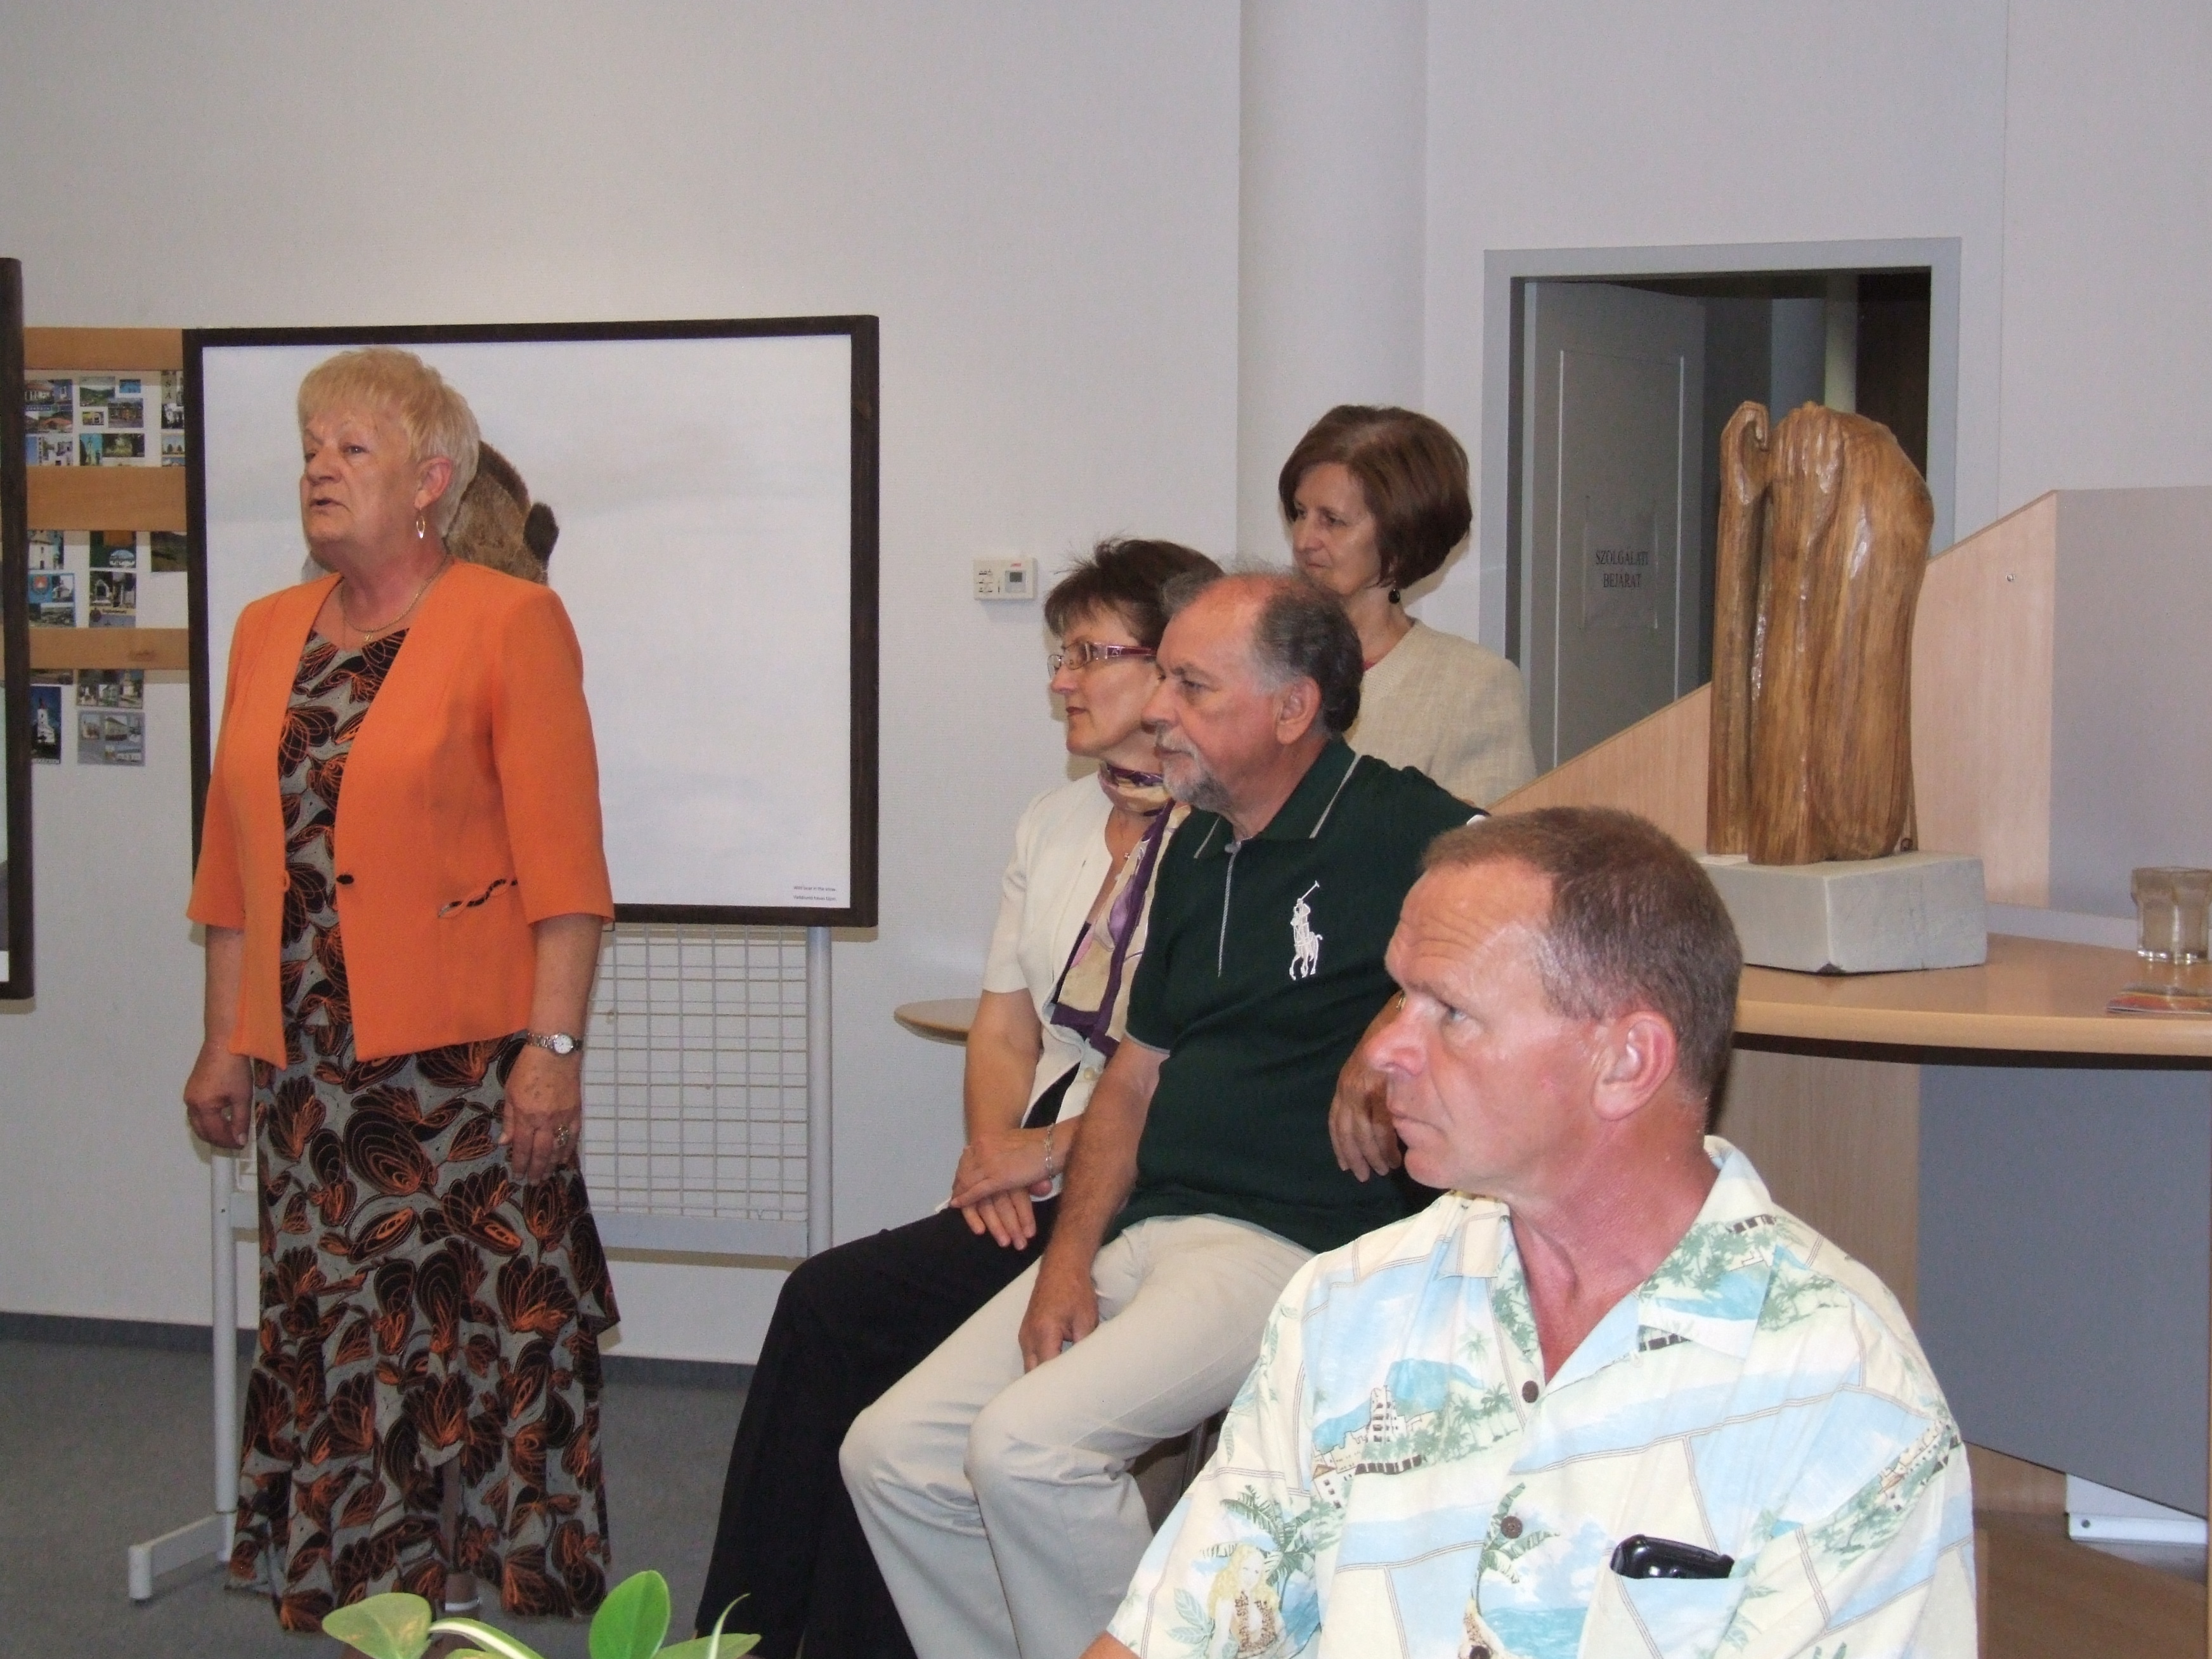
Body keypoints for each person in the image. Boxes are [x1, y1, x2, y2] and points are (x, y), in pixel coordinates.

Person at [1099, 808, 1977, 1659]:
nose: (1384, 1050)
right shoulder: (1351, 1307)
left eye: (1450, 1011)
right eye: (1399, 996)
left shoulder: (1838, 1388)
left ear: (1626, 1062)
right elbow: (1176, 1633)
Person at [843, 571, 1477, 1659]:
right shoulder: (1192, 846)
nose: (1157, 711)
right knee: (892, 1455)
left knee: (1027, 1450)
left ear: (1292, 708)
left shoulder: (1392, 820)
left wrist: (1394, 1019)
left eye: (1191, 686)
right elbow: (1131, 1082)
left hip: (1290, 1246)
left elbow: (1557, 904)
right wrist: (1065, 1264)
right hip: (1149, 1225)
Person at [691, 538, 1221, 1656]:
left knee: (835, 1316)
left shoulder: (1224, 840)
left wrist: (1045, 1155)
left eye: (1088, 654)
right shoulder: (1055, 820)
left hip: (1144, 1177)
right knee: (843, 1329)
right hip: (1031, 1163)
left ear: (1173, 666)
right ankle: (747, 1636)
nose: (1061, 679)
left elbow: (1194, 1071)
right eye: (1058, 654)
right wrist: (996, 1153)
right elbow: (1005, 1024)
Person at [183, 346, 619, 1631]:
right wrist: (222, 1039)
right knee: (335, 1330)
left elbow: (568, 874)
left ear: (432, 481)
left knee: (460, 1336)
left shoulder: (508, 620)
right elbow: (232, 867)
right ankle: (366, 1586)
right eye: (310, 448)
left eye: (351, 449)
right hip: (309, 1068)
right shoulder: (265, 630)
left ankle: (463, 1579)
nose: (319, 468)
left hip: (460, 1066)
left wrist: (553, 1050)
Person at [1282, 404, 1537, 807]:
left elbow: (1488, 841)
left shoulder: (1472, 686)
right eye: (1300, 513)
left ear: (1399, 540)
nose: (1303, 540)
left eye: (1332, 520)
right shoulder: (1261, 656)